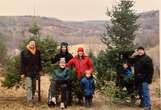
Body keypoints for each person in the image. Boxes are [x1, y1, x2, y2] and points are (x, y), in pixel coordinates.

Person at [20, 39, 42, 107]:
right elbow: (22, 63)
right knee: (29, 86)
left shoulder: (38, 51)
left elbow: (39, 62)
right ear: (28, 44)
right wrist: (22, 73)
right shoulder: (24, 52)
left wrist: (40, 70)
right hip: (27, 72)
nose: (32, 44)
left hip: (35, 72)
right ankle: (29, 101)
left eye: (33, 43)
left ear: (35, 44)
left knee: (34, 86)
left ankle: (32, 98)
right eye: (31, 43)